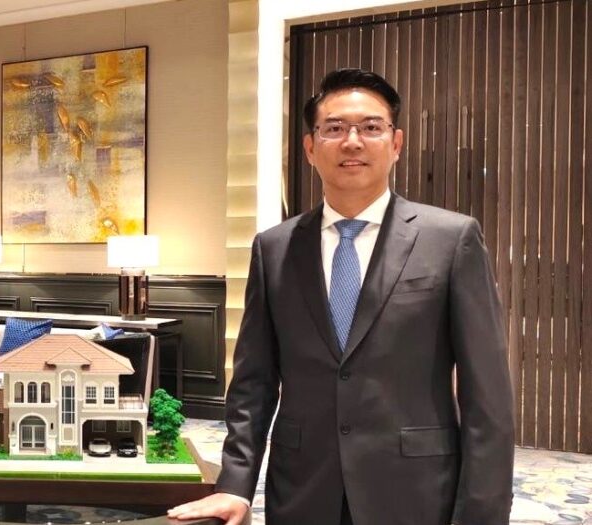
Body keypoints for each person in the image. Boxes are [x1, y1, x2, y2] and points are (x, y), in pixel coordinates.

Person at [168, 69, 514, 525]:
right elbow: (254, 382)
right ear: (310, 148)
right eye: (334, 128)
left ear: (396, 143)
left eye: (371, 127)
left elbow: (487, 393)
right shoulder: (275, 248)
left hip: (415, 489)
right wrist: (235, 484)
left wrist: (482, 514)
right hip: (304, 488)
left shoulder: (450, 239)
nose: (352, 141)